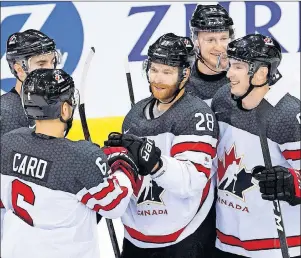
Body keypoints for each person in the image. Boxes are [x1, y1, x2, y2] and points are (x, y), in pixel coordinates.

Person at [0, 69, 138, 258]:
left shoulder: (8, 142)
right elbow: (114, 205)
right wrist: (122, 164)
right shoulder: (80, 157)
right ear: (64, 109)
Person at [104, 33, 219, 257]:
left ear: (185, 74)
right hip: (136, 235)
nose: (158, 78)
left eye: (167, 72)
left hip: (184, 236)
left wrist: (156, 164)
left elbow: (192, 180)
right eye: (154, 69)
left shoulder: (196, 115)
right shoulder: (135, 114)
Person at [211, 34, 301, 258]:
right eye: (230, 65)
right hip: (226, 241)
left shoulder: (288, 114)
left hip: (275, 247)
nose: (229, 73)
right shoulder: (222, 100)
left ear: (261, 72)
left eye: (238, 67)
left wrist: (293, 183)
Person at [1, 29, 59, 136]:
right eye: (41, 64)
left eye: (52, 62)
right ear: (19, 69)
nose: (51, 69)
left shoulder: (52, 105)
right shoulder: (4, 112)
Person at [186, 4, 234, 106]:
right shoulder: (183, 81)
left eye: (224, 38)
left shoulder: (250, 70)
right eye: (210, 40)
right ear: (196, 41)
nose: (219, 47)